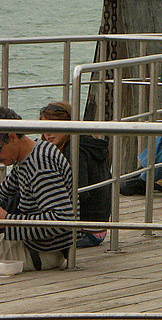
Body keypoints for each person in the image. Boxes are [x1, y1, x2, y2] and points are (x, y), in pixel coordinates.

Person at [0, 106, 74, 270]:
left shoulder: (40, 166)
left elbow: (63, 220)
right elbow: (4, 191)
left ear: (12, 137)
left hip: (43, 252)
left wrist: (7, 221)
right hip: (34, 245)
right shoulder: (29, 154)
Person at [39, 101, 111, 248]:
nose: (48, 133)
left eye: (54, 127)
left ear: (68, 125)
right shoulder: (87, 143)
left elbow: (78, 195)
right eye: (44, 128)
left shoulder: (75, 151)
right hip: (98, 227)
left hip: (85, 230)